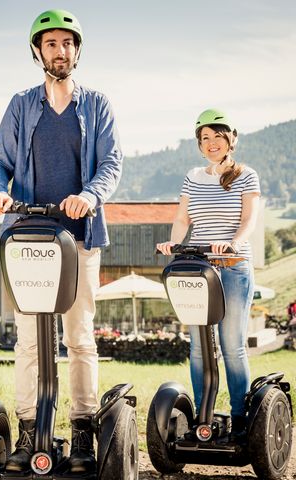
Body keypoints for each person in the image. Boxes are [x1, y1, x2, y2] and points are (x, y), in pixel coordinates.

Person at [0, 9, 123, 473]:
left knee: (79, 336)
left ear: (76, 51)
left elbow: (111, 163)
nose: (59, 51)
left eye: (67, 43)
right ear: (38, 51)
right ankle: (29, 431)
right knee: (28, 340)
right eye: (50, 44)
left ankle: (83, 430)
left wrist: (89, 195)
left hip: (79, 237)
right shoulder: (22, 104)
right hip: (28, 236)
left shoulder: (96, 104)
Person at [157, 108, 260, 438]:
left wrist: (232, 243)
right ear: (199, 144)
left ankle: (240, 417)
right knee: (199, 346)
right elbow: (183, 219)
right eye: (205, 138)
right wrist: (173, 243)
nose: (211, 143)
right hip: (199, 271)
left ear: (231, 139)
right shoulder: (193, 177)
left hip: (232, 268)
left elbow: (248, 221)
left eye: (217, 136)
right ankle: (205, 418)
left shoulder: (246, 175)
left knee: (232, 345)